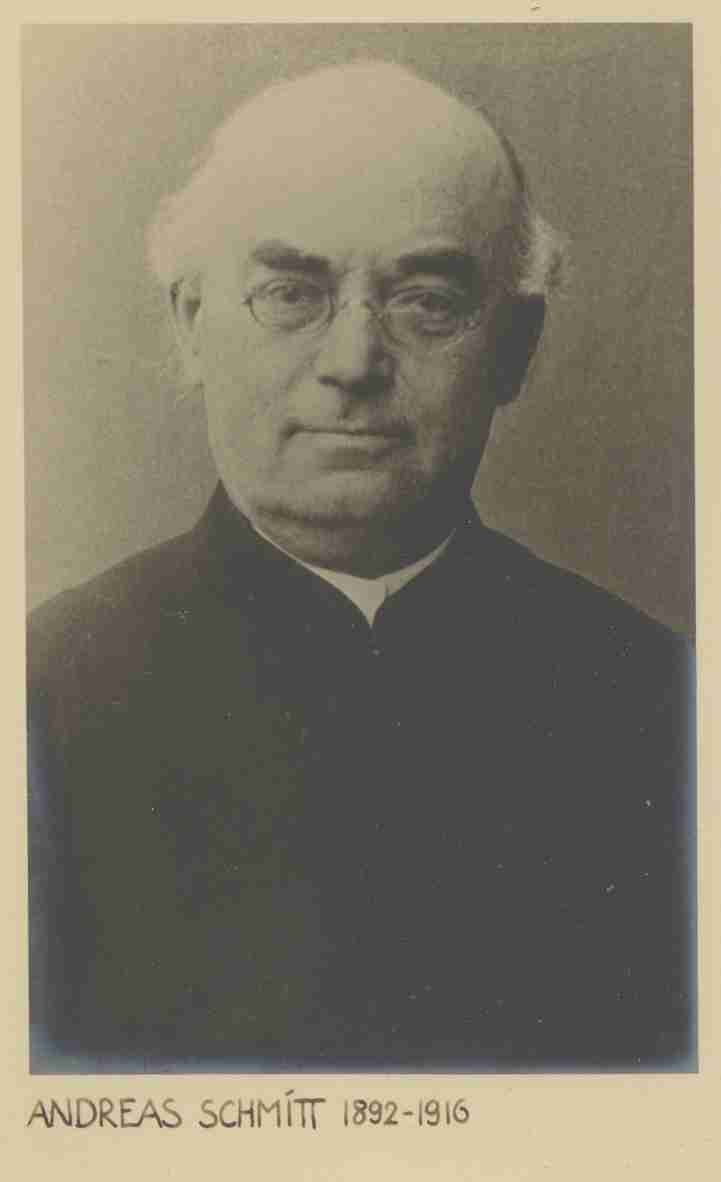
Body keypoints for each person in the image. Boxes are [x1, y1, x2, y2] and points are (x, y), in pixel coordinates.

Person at [27, 61, 693, 1072]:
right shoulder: (37, 701)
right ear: (190, 323)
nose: (352, 361)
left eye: (426, 301)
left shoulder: (658, 705)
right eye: (290, 294)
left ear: (515, 346)